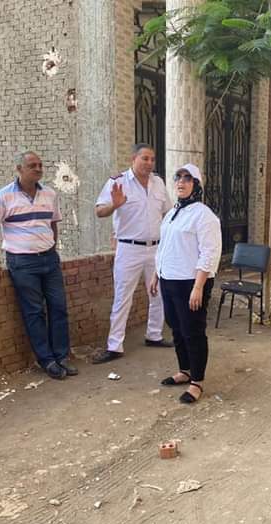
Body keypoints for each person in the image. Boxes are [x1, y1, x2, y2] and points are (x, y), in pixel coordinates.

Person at [0, 151, 78, 380]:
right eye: (32, 165)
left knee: (59, 308)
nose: (38, 169)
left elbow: (52, 224)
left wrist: (51, 247)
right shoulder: (2, 197)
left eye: (40, 165)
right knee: (34, 312)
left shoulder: (50, 194)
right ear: (19, 169)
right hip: (22, 262)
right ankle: (47, 360)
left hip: (49, 259)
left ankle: (62, 357)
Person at [93, 143, 173, 364]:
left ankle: (154, 335)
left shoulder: (158, 183)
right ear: (133, 159)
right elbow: (99, 210)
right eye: (144, 158)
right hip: (129, 249)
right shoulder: (118, 182)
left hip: (155, 248)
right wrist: (114, 205)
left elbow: (167, 212)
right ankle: (114, 346)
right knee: (122, 297)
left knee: (158, 294)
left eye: (152, 159)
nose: (149, 163)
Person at [149, 164, 222, 403]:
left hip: (190, 282)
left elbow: (209, 253)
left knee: (193, 331)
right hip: (169, 279)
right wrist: (156, 274)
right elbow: (165, 247)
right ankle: (185, 370)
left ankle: (197, 381)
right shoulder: (173, 213)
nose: (181, 182)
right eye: (178, 177)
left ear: (196, 185)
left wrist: (198, 287)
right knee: (176, 328)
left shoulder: (204, 215)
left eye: (188, 178)